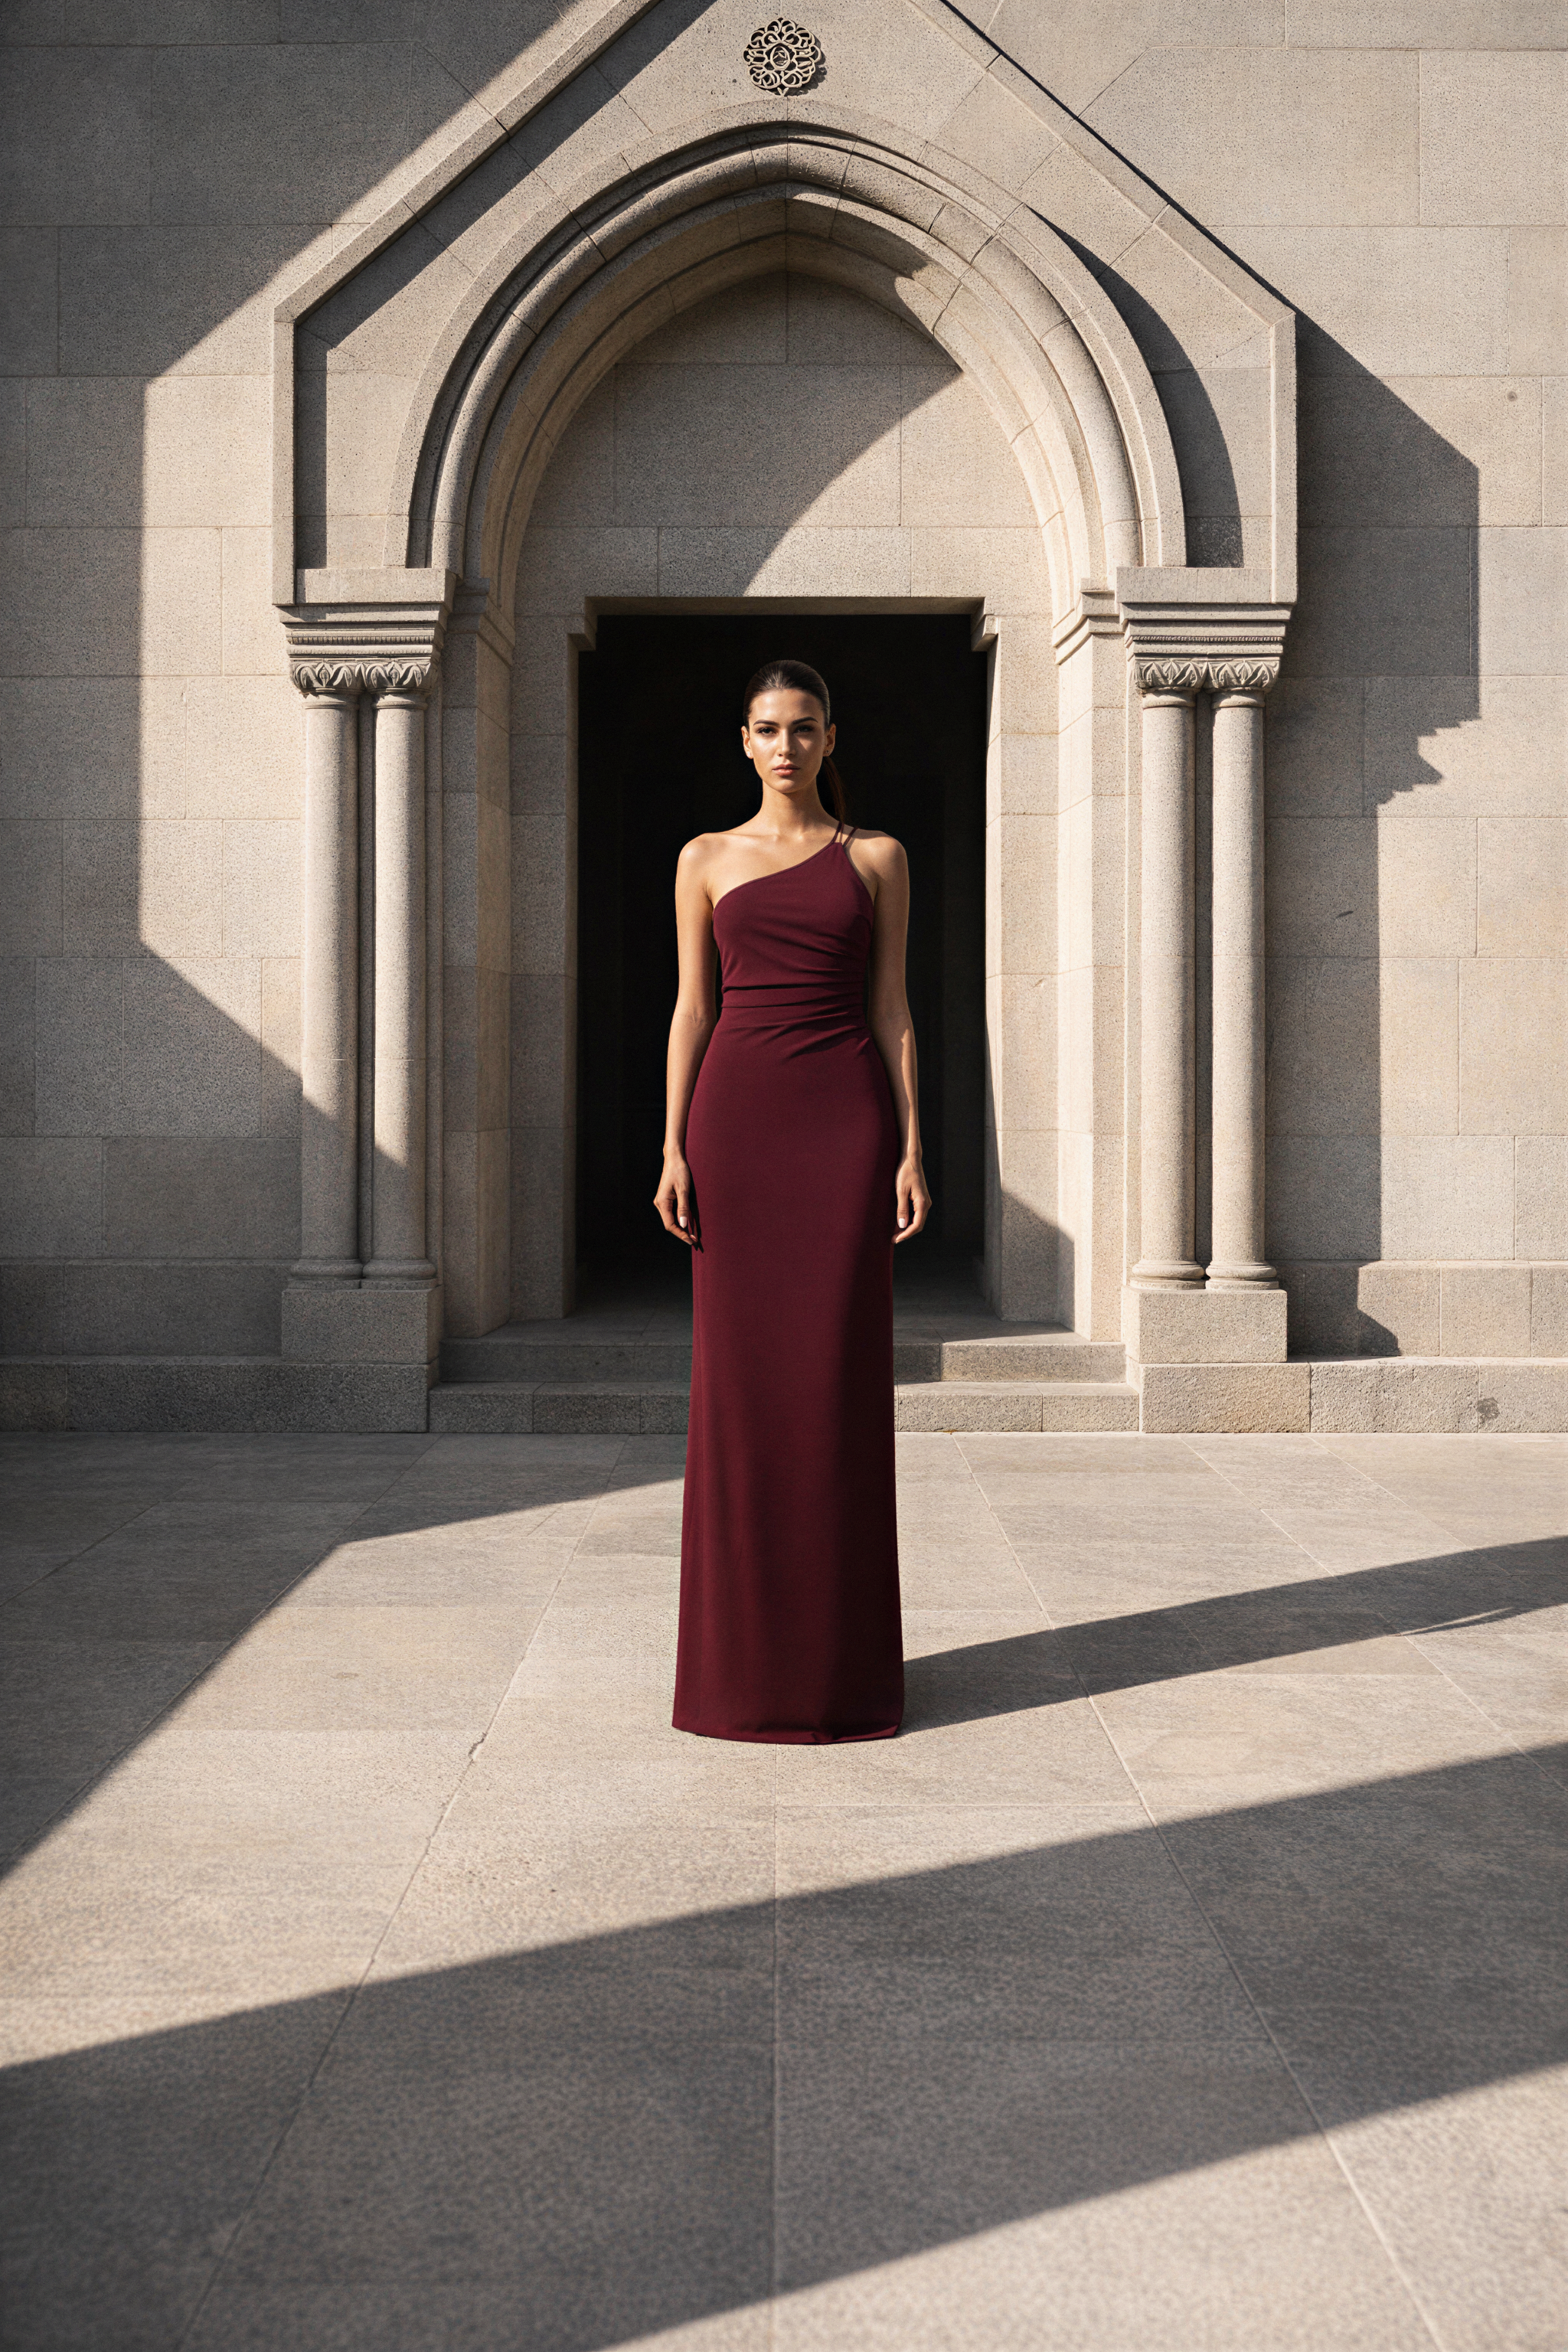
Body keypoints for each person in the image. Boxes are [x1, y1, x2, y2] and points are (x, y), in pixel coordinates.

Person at [655, 659, 931, 1743]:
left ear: (830, 738)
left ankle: (839, 1678)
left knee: (836, 1392)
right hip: (736, 1130)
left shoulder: (877, 858)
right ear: (743, 740)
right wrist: (673, 1146)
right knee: (741, 1396)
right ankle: (741, 1679)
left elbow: (895, 1009)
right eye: (767, 729)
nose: (785, 746)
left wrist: (914, 1146)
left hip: (843, 1130)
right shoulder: (704, 860)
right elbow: (691, 1009)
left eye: (803, 728)